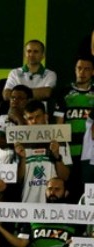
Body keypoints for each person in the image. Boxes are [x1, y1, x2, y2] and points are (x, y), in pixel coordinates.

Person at [15, 99, 71, 203]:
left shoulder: (60, 139)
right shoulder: (21, 143)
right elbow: (18, 179)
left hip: (52, 205)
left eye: (37, 117)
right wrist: (22, 158)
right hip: (27, 205)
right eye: (30, 118)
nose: (34, 121)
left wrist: (56, 155)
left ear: (45, 117)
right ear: (26, 121)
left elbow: (65, 177)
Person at [53, 56, 94, 188]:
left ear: (93, 72)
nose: (82, 72)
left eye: (87, 69)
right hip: (70, 152)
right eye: (79, 68)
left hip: (91, 153)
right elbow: (59, 124)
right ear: (75, 70)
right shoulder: (64, 93)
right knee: (72, 188)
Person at [0, 85, 33, 164]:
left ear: (29, 101)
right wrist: (17, 144)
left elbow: (30, 139)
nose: (15, 101)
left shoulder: (33, 119)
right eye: (13, 98)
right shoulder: (3, 118)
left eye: (20, 98)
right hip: (6, 169)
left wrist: (18, 119)